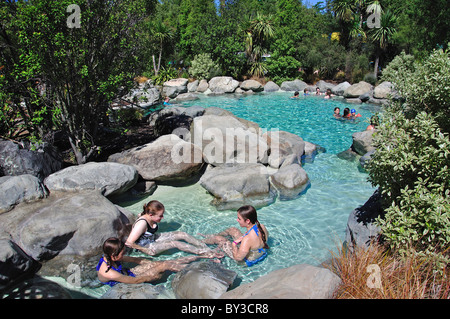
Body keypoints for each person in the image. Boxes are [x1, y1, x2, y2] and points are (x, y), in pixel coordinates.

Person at [125, 200, 221, 257]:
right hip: (148, 247)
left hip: (152, 239)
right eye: (160, 216)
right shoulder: (141, 224)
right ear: (150, 215)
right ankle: (203, 253)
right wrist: (145, 250)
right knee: (175, 243)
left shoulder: (146, 214)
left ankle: (206, 248)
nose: (162, 218)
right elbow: (129, 243)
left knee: (181, 234)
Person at [96, 237, 205, 286]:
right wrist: (152, 274)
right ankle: (199, 269)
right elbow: (135, 281)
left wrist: (153, 264)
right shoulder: (109, 272)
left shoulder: (109, 256)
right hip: (130, 281)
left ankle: (202, 257)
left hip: (127, 273)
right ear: (114, 256)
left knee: (164, 263)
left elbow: (135, 259)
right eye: (122, 253)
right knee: (164, 266)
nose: (124, 255)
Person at [200, 205, 269, 267]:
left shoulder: (247, 239)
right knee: (233, 230)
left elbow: (238, 258)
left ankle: (201, 242)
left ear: (247, 221)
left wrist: (234, 244)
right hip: (260, 253)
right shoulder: (261, 227)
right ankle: (212, 236)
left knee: (220, 240)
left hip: (246, 261)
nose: (237, 220)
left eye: (239, 219)